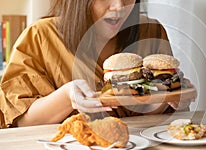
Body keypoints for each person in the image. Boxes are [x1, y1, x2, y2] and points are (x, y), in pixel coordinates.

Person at [0, 0, 191, 128]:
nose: (118, 6)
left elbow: (156, 115)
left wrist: (172, 99)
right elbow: (22, 122)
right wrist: (67, 97)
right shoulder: (40, 36)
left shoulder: (151, 31)